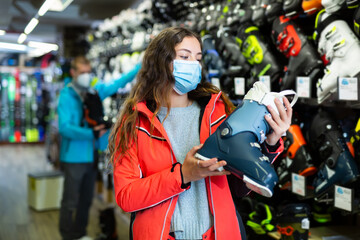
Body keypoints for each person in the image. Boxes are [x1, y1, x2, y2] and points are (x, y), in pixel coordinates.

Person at [109, 27, 292, 240]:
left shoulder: (218, 112)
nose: (194, 65)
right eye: (184, 57)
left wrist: (269, 144)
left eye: (198, 59)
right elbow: (126, 197)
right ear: (160, 62)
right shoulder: (136, 122)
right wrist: (183, 175)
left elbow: (236, 188)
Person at [57, 55, 140, 240]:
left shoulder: (94, 91)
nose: (86, 76)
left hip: (92, 154)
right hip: (73, 157)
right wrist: (90, 134)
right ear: (73, 73)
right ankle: (67, 236)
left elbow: (117, 83)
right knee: (70, 201)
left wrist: (142, 64)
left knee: (86, 199)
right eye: (82, 72)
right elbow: (64, 127)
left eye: (88, 72)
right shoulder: (67, 95)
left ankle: (79, 234)